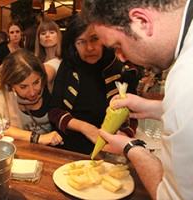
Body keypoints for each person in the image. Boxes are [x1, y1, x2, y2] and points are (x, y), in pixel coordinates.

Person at [81, 0, 193, 199]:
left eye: (118, 46)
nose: (121, 58)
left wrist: (131, 148)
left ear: (142, 21)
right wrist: (155, 108)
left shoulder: (191, 74)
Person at [48, 14, 140, 155]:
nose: (89, 48)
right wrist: (85, 128)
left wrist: (124, 137)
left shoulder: (120, 67)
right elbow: (54, 111)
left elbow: (133, 114)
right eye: (81, 42)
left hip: (110, 148)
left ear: (104, 39)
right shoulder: (68, 65)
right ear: (74, 44)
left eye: (94, 39)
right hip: (66, 146)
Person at [0, 49, 63, 146]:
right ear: (11, 83)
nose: (32, 91)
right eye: (23, 86)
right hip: (21, 149)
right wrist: (37, 138)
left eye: (36, 82)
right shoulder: (1, 86)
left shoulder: (47, 75)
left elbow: (57, 63)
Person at [34, 19, 62, 92]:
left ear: (58, 35)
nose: (47, 35)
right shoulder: (35, 61)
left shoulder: (65, 60)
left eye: (52, 32)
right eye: (43, 33)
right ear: (39, 39)